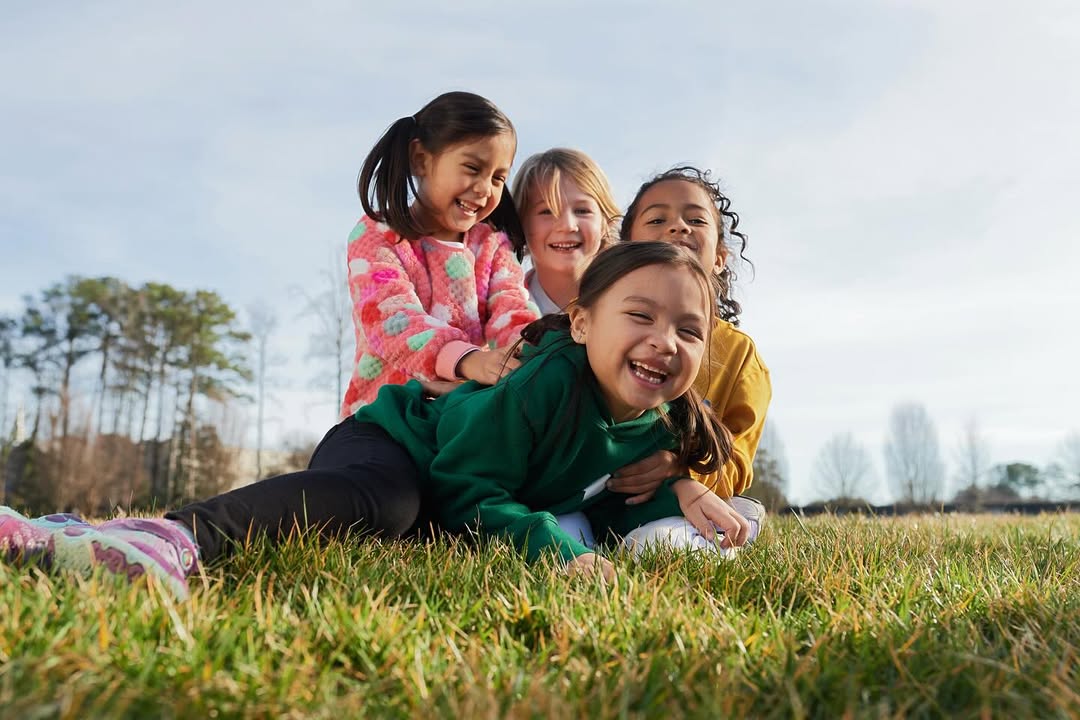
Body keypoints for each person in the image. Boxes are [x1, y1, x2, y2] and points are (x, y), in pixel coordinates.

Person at [0, 242, 751, 596]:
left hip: (440, 487)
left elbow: (610, 492)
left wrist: (677, 495)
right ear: (582, 323)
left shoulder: (660, 424)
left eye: (688, 331)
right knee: (388, 506)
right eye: (640, 316)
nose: (665, 342)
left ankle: (73, 526)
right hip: (395, 440)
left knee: (412, 519)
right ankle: (166, 540)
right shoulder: (546, 385)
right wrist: (550, 548)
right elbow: (467, 489)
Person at [338, 91, 540, 418]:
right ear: (421, 159)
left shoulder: (491, 246)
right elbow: (393, 320)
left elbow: (513, 309)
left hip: (461, 413)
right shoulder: (378, 236)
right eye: (473, 168)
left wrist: (536, 351)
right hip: (384, 417)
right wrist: (467, 360)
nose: (485, 189)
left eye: (498, 178)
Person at [611, 166, 772, 535]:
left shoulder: (739, 357)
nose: (678, 226)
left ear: (720, 257)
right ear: (625, 250)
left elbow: (737, 459)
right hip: (600, 494)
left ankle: (735, 521)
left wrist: (680, 468)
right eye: (657, 219)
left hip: (685, 504)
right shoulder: (603, 326)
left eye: (695, 219)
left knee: (665, 542)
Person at [510, 148, 619, 315]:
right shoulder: (500, 314)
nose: (568, 225)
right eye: (547, 211)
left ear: (606, 222)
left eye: (582, 211)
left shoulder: (633, 302)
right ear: (520, 224)